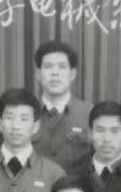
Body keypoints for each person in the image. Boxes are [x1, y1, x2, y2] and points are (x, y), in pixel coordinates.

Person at [30, 39, 91, 170]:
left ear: (73, 74)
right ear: (38, 74)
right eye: (48, 66)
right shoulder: (26, 113)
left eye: (62, 67)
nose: (55, 73)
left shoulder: (90, 114)